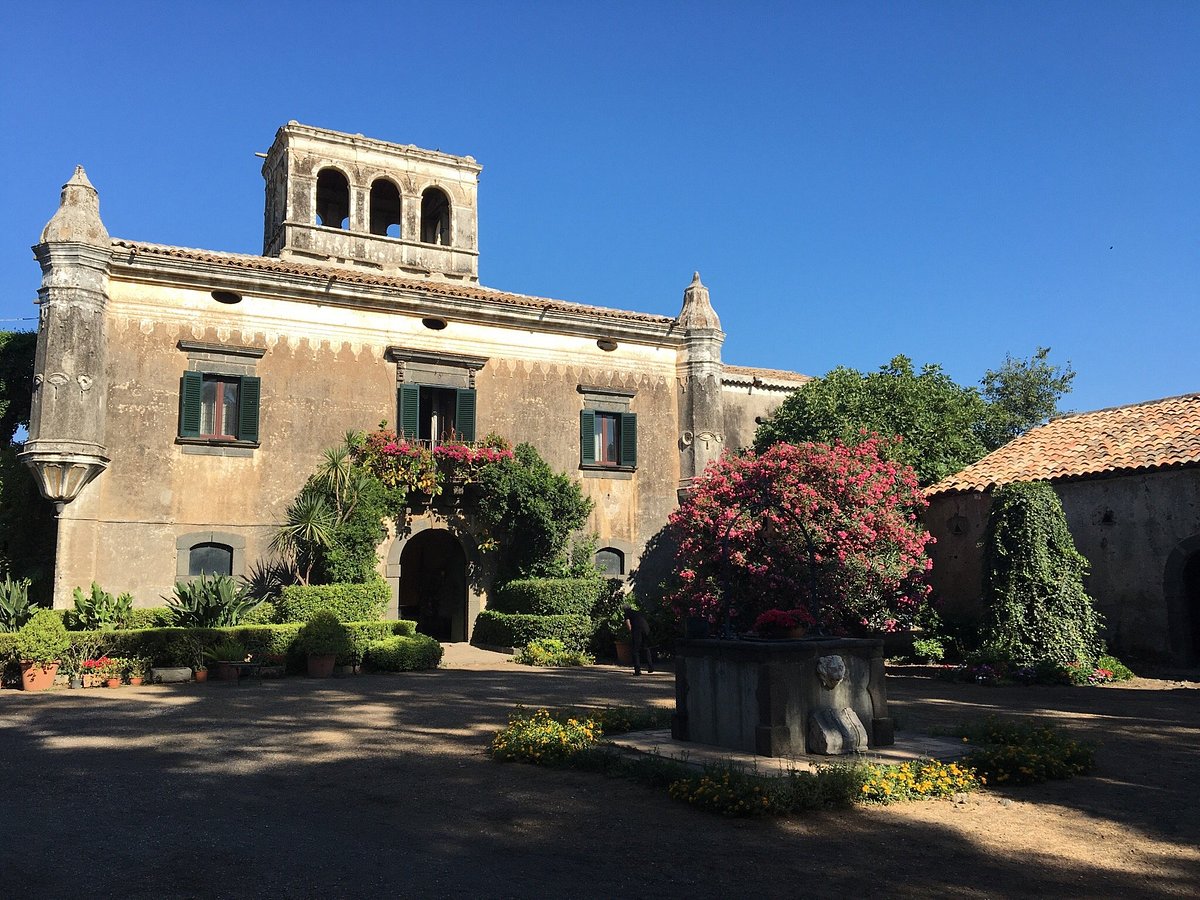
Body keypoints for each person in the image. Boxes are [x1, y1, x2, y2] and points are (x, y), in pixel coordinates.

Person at [623, 605, 656, 675]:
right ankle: (651, 667)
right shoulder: (636, 612)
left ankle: (637, 670)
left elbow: (628, 625)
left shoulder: (627, 613)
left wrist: (631, 633)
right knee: (646, 648)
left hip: (637, 630)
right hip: (646, 629)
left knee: (635, 650)